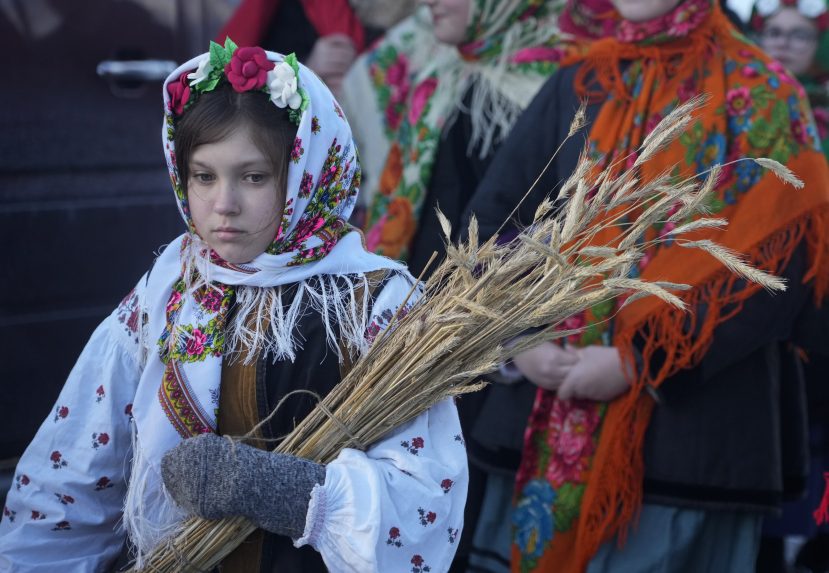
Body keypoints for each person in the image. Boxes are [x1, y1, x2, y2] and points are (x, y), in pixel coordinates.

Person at [0, 41, 467, 572]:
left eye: (254, 177)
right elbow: (79, 463)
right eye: (204, 176)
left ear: (307, 172)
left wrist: (283, 492)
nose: (223, 204)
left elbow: (425, 499)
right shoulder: (171, 287)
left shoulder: (377, 302)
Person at [462, 0, 829, 570]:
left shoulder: (764, 94)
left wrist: (640, 360)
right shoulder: (581, 81)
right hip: (541, 412)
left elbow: (779, 264)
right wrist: (521, 340)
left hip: (684, 442)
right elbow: (492, 222)